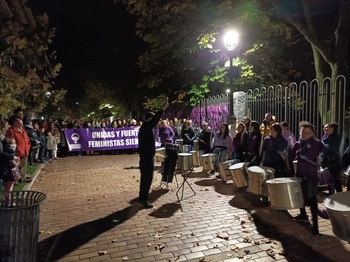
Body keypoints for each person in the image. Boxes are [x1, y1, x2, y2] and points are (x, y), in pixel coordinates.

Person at [290, 122, 326, 235]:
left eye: (308, 133)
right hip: (300, 173)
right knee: (300, 195)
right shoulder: (297, 144)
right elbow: (291, 156)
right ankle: (303, 215)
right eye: (303, 132)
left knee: (311, 197)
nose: (305, 134)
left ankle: (315, 224)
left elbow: (326, 155)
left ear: (313, 133)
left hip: (312, 174)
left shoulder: (318, 143)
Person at [138, 97, 169, 208]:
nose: (156, 123)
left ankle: (142, 196)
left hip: (145, 157)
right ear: (149, 119)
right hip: (146, 158)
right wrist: (163, 108)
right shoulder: (147, 127)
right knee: (147, 178)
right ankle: (144, 200)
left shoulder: (145, 128)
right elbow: (155, 119)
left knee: (145, 178)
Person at [321, 123, 342, 193]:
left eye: (326, 128)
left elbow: (334, 149)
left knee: (335, 179)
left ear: (332, 128)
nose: (324, 129)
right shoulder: (324, 137)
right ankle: (331, 192)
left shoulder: (337, 138)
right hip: (325, 161)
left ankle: (339, 193)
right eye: (324, 128)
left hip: (334, 161)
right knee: (328, 179)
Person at [0, 137, 21, 205]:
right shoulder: (11, 152)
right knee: (9, 189)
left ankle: (6, 200)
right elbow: (13, 162)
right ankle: (8, 202)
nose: (15, 145)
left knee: (7, 187)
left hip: (6, 172)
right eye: (14, 143)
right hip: (10, 173)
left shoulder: (5, 150)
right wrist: (16, 161)